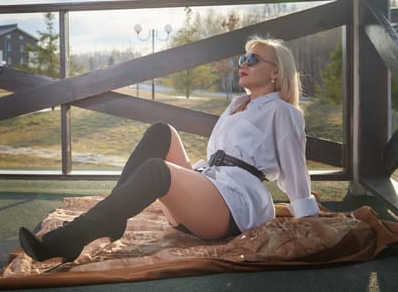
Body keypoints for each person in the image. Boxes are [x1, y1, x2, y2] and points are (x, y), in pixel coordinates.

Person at [19, 36, 319, 262]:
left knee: (156, 171)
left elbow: (295, 168)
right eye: (243, 58)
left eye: (253, 59)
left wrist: (307, 219)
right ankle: (113, 219)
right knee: (161, 131)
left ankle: (71, 238)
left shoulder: (283, 112)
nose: (243, 64)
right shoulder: (237, 105)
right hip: (207, 190)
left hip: (233, 207)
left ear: (275, 73)